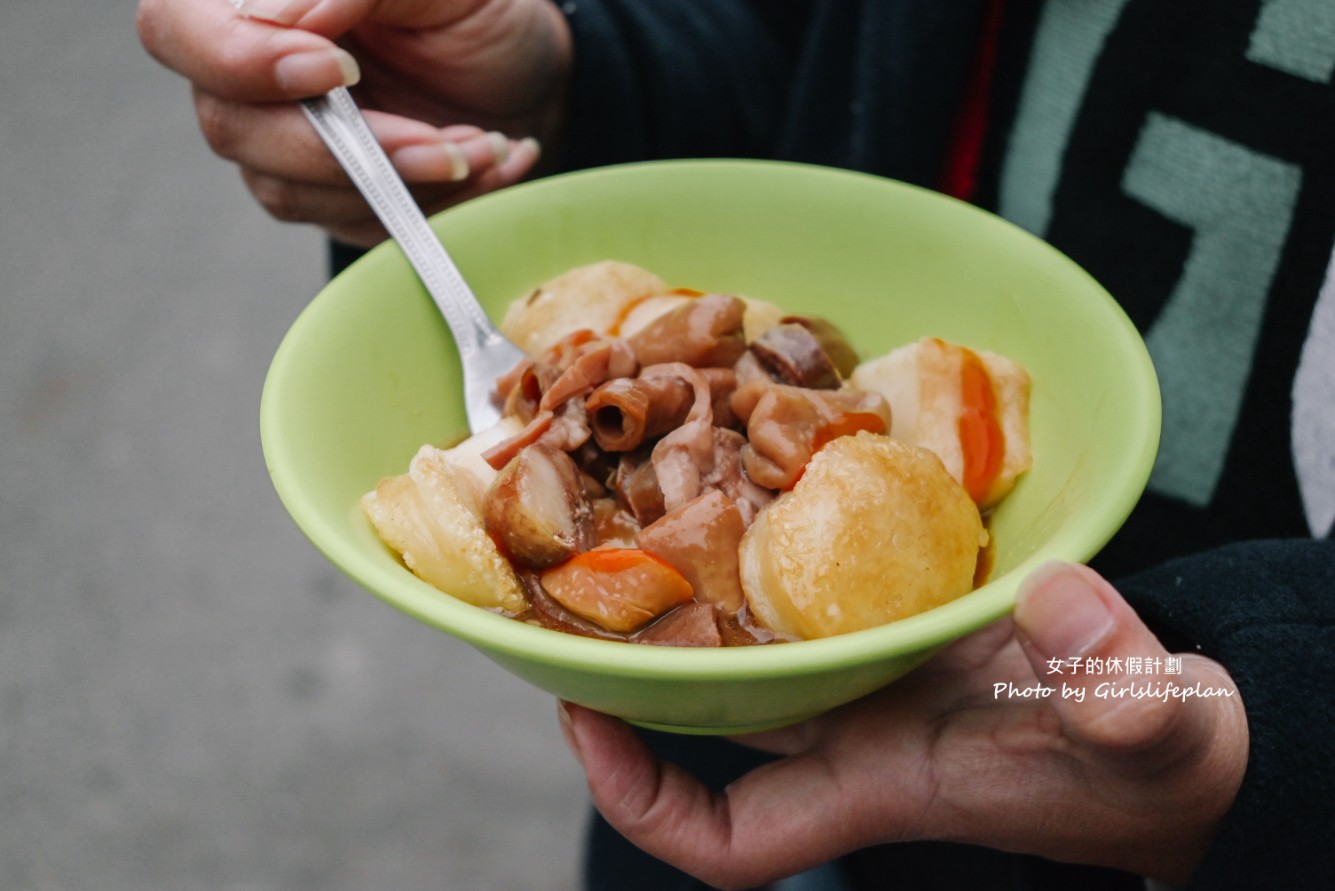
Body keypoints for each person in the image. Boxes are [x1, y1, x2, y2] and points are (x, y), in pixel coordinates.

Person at [138, 1, 1335, 888]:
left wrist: (1287, 727)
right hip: (703, 766)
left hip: (1144, 785)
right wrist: (559, 96)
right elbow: (794, 42)